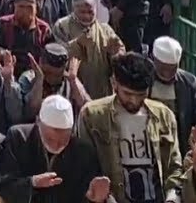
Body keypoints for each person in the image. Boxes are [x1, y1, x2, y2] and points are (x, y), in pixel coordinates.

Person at [76, 52, 184, 203]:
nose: (134, 100)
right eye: (127, 94)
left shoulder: (164, 116)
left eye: (141, 94)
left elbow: (174, 167)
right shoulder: (92, 116)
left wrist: (172, 198)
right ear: (114, 83)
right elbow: (86, 169)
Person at [0, 95, 112, 203]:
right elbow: (5, 186)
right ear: (38, 122)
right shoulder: (19, 138)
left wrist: (94, 197)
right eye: (50, 139)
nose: (57, 145)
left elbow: (87, 192)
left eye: (63, 141)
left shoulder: (83, 151)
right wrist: (33, 182)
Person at [148, 36, 196, 155]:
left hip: (178, 147)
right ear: (153, 59)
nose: (166, 74)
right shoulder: (143, 78)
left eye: (172, 69)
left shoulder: (190, 83)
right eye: (162, 69)